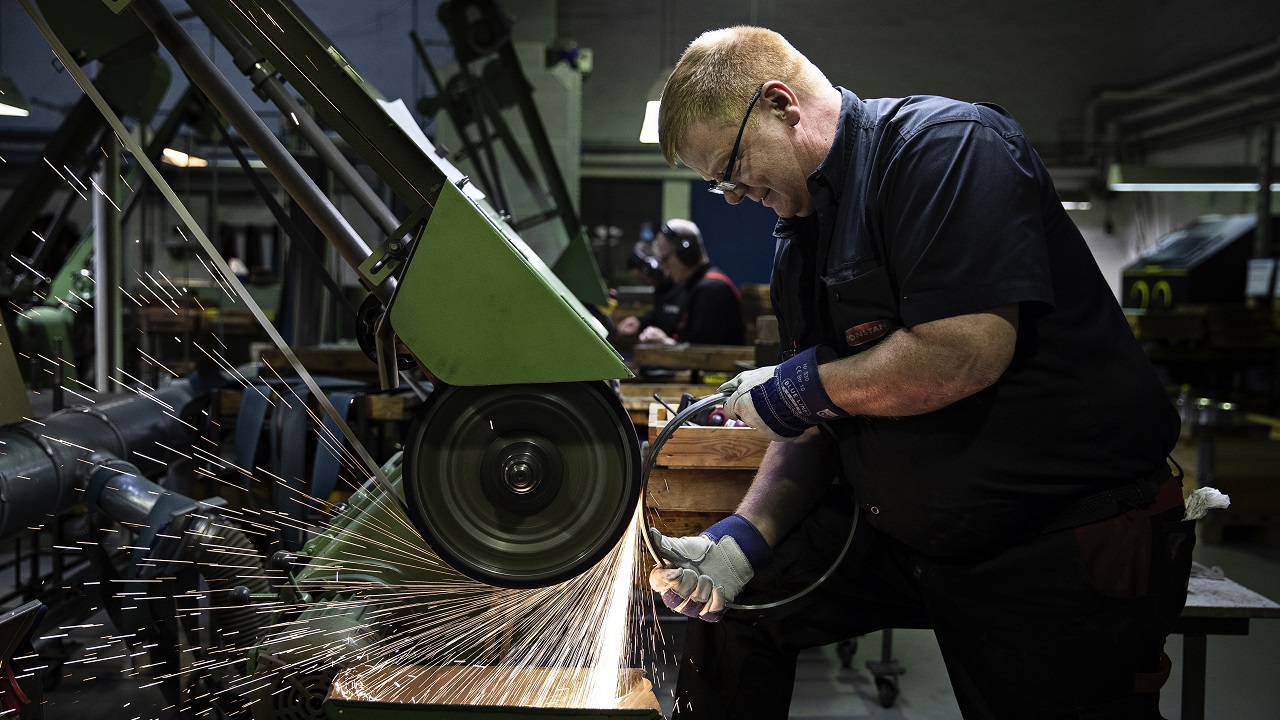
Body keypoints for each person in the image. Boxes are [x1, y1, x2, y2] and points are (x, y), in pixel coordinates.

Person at [645, 26, 1193, 720]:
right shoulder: (801, 238)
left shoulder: (947, 151)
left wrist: (799, 387)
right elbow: (809, 419)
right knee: (737, 605)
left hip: (1053, 536)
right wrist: (746, 534)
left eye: (730, 167)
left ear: (782, 104)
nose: (730, 195)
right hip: (908, 527)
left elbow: (964, 351)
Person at [637, 219, 746, 346]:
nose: (665, 269)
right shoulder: (696, 285)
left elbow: (701, 352)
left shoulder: (711, 290)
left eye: (665, 259)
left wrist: (665, 341)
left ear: (686, 252)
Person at [616, 241, 686, 341]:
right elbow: (660, 313)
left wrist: (665, 340)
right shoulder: (661, 289)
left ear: (654, 270)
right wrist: (639, 321)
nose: (645, 283)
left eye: (643, 279)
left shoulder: (681, 287)